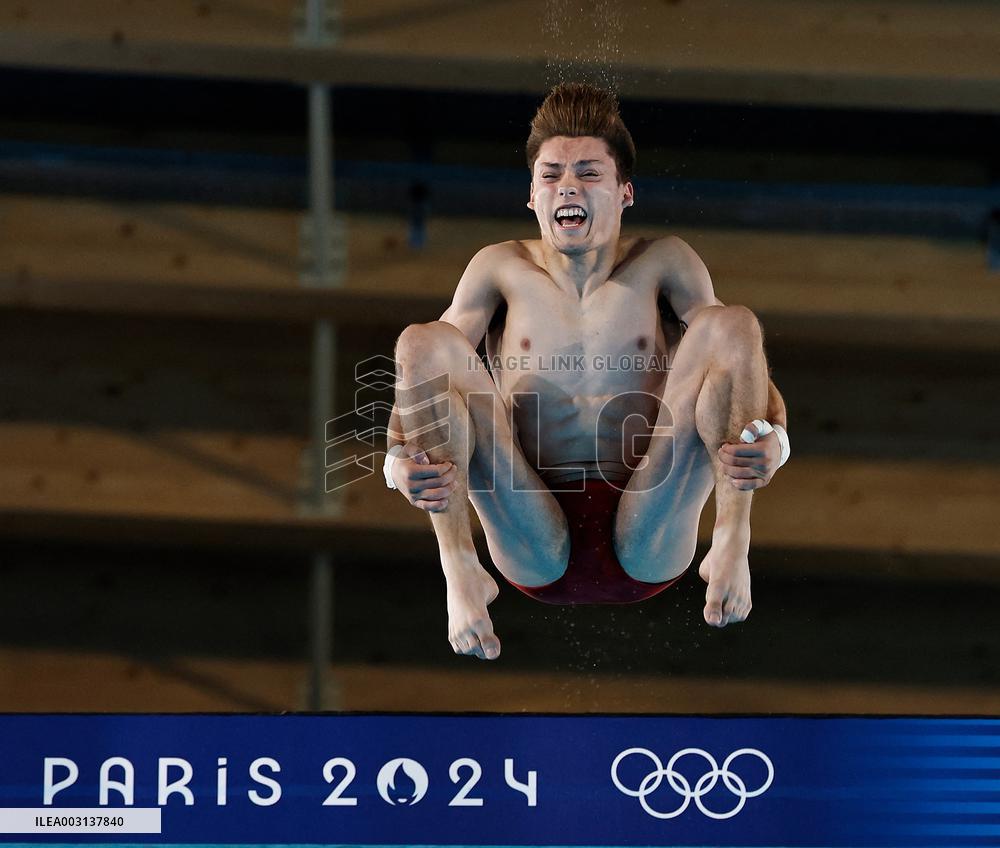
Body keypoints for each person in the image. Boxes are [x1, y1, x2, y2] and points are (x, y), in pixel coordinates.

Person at [385, 83, 789, 661]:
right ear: (531, 196)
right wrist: (397, 463)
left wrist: (777, 440)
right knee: (422, 340)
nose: (567, 185)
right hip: (526, 517)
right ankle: (459, 569)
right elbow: (419, 374)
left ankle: (733, 537)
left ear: (625, 192)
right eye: (550, 175)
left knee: (733, 323)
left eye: (587, 173)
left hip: (652, 511)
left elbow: (742, 359)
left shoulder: (664, 261)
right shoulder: (500, 267)